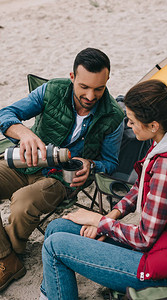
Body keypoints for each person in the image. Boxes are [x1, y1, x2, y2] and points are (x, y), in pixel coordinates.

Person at [40, 79, 167, 300]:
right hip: (165, 244)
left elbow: (144, 239)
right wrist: (111, 215)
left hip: (162, 265)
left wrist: (99, 222)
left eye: (132, 121)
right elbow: (140, 185)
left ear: (153, 125)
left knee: (55, 247)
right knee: (58, 228)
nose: (128, 124)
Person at [0, 48, 124, 291]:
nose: (90, 95)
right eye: (84, 87)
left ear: (107, 81)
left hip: (63, 180)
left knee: (23, 202)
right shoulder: (52, 90)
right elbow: (6, 114)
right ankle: (7, 257)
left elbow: (111, 162)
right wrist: (24, 134)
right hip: (27, 164)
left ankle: (9, 256)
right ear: (72, 77)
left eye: (98, 89)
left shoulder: (114, 116)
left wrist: (93, 164)